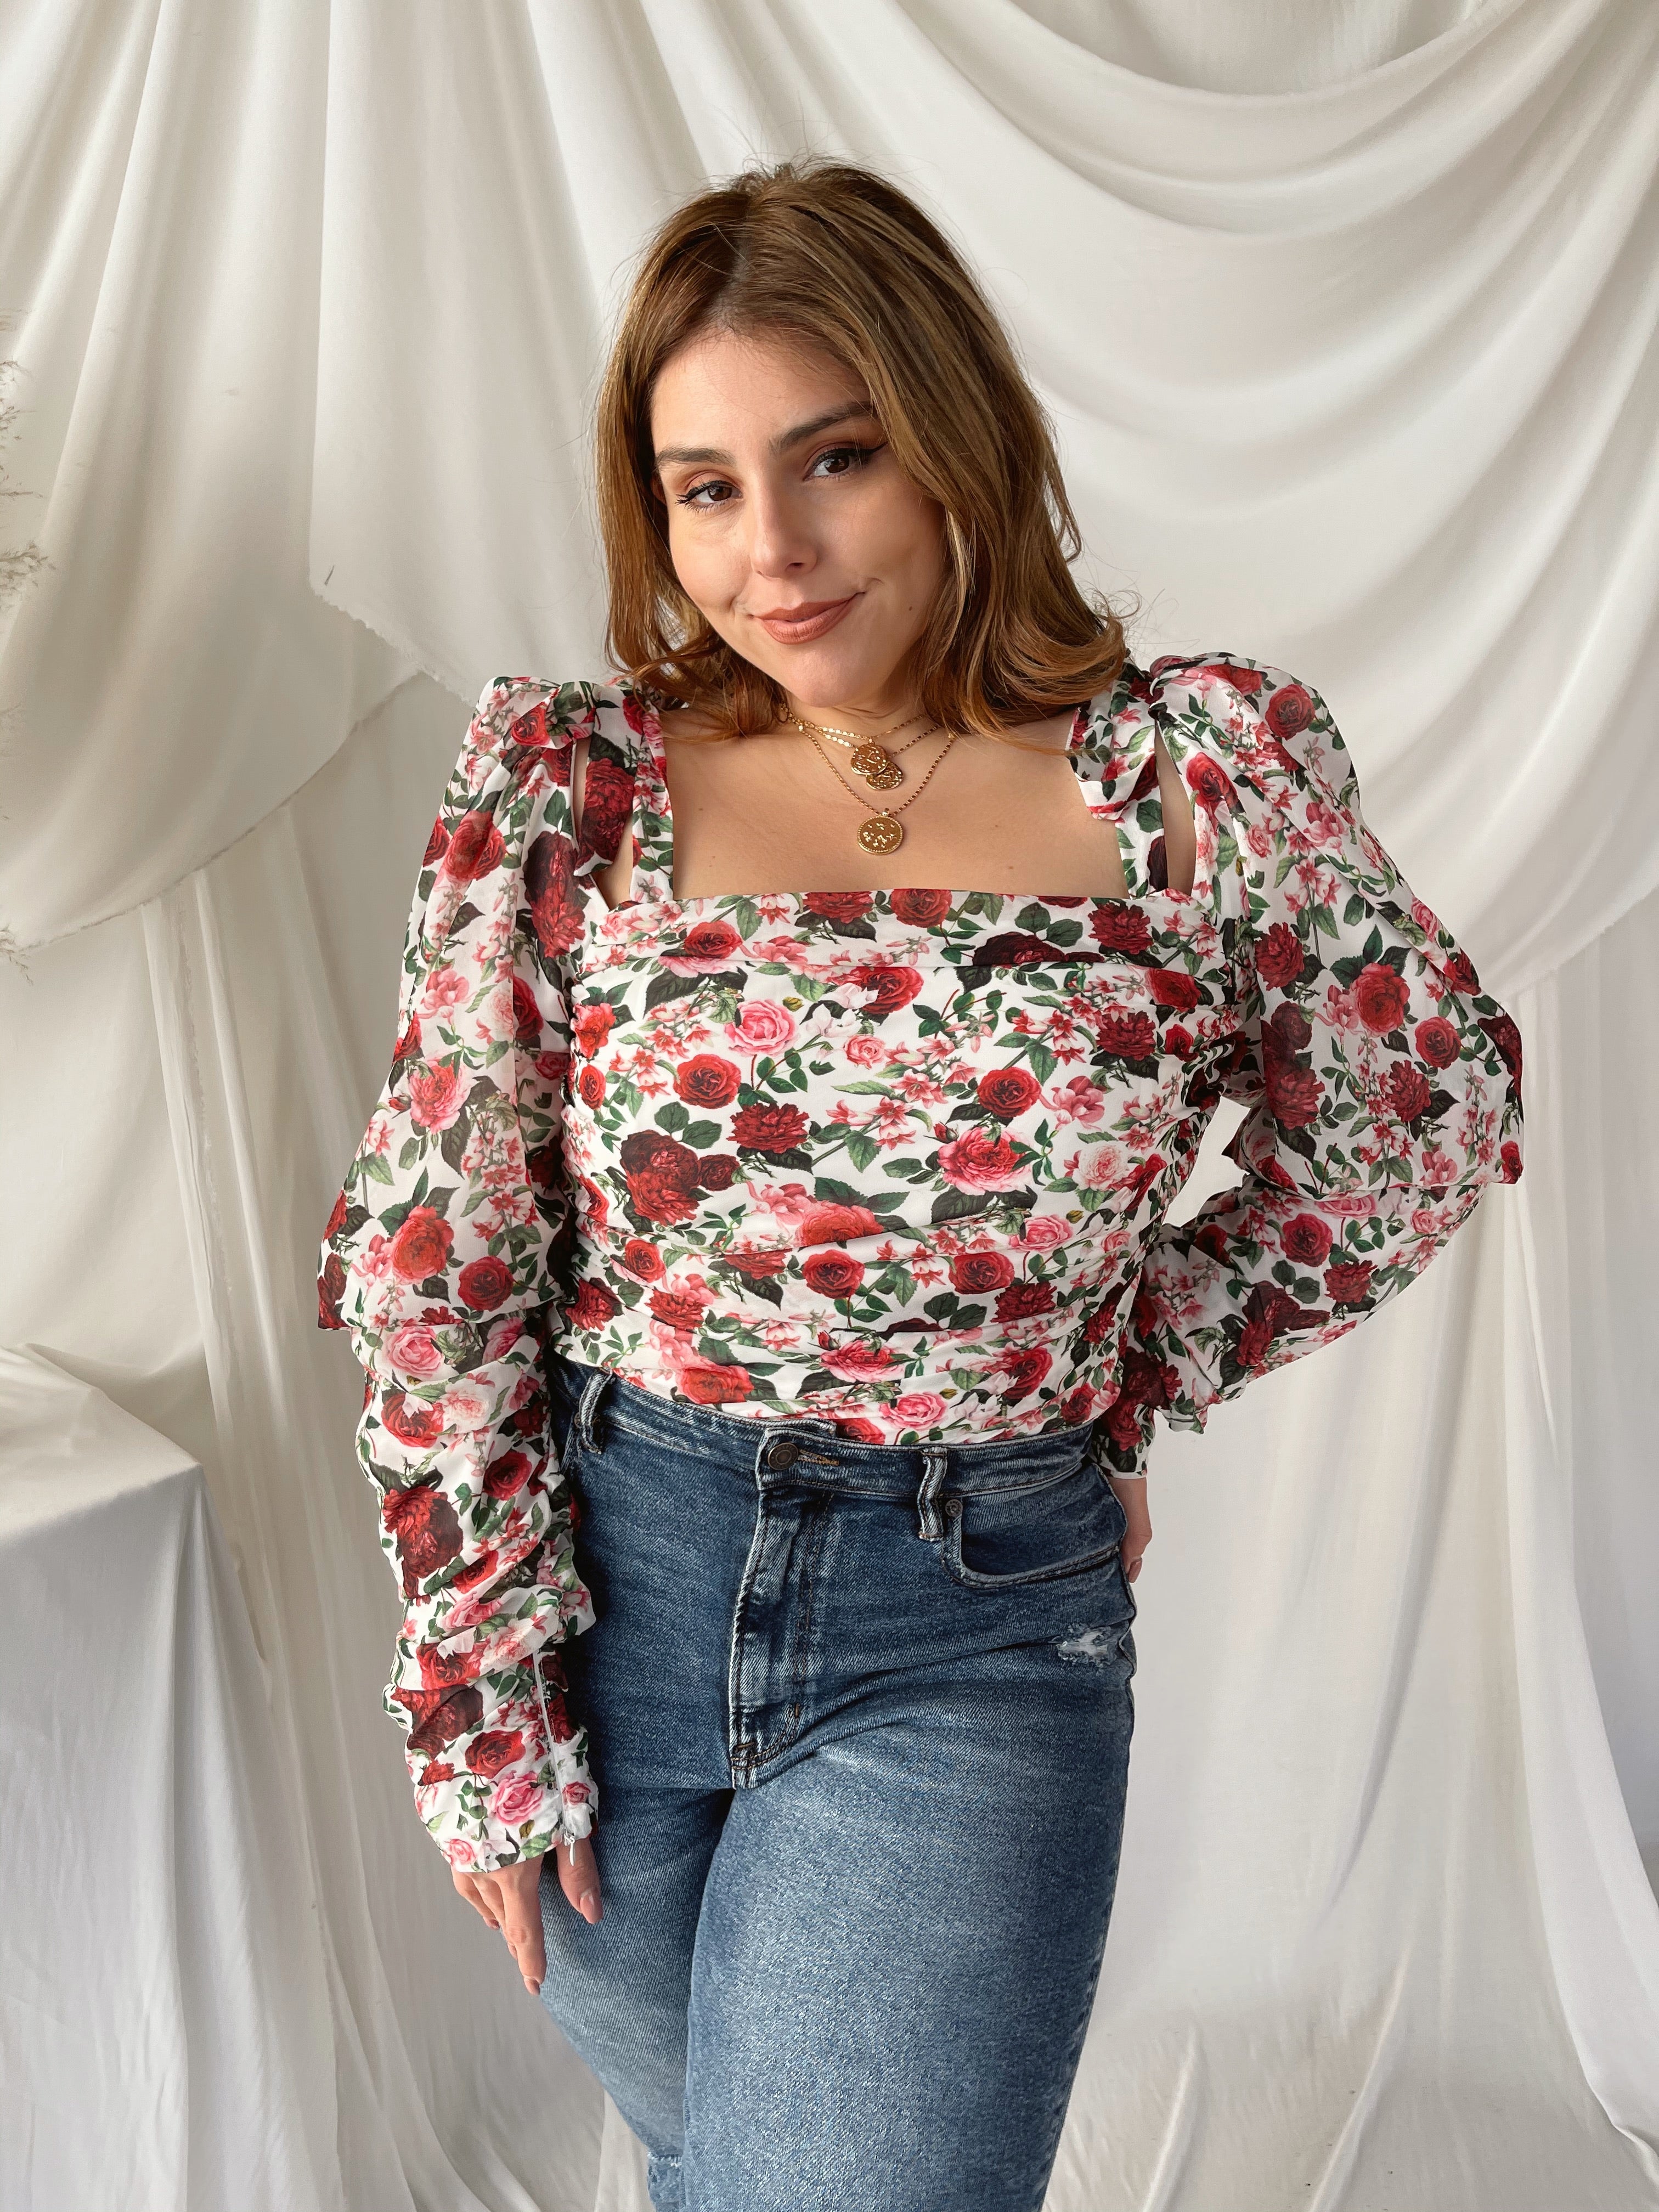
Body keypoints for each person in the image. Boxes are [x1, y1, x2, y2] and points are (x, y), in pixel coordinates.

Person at [317, 157, 1526, 2212]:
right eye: (705, 490)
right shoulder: (573, 792)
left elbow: (1420, 1113)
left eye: (837, 459)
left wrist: (1120, 1362)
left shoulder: (1189, 782)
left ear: (958, 439)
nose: (771, 554)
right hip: (608, 1593)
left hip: (969, 1631)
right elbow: (442, 1250)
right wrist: (479, 1684)